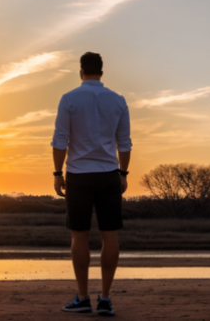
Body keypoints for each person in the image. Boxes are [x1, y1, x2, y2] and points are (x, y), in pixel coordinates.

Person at [51, 52, 132, 316]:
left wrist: (57, 173)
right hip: (109, 173)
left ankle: (83, 297)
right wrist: (123, 173)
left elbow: (60, 140)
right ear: (102, 72)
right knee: (110, 236)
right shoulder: (118, 100)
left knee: (79, 236)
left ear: (81, 71)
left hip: (79, 175)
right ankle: (105, 299)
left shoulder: (69, 99)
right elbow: (125, 143)